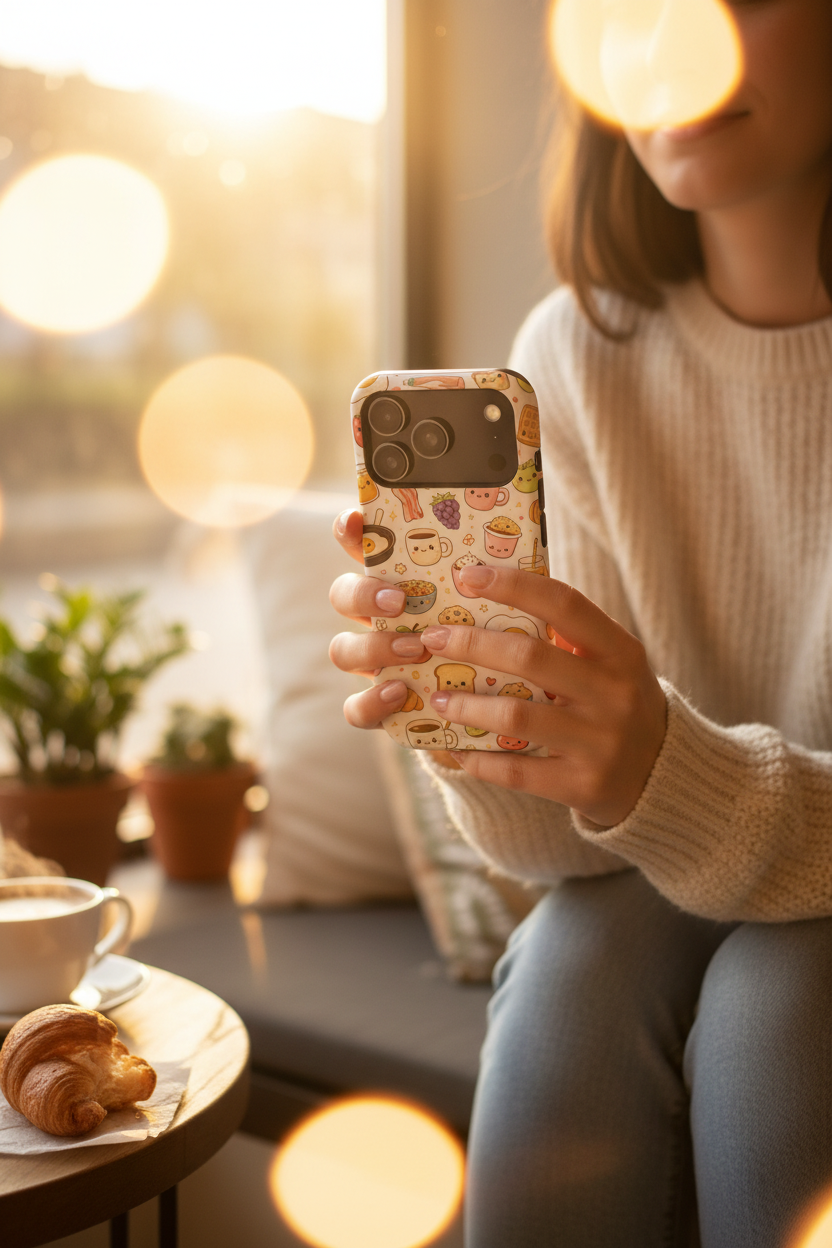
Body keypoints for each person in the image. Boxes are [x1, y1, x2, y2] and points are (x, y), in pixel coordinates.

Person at [329, 1, 832, 1244]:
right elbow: (573, 854)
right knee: (568, 971)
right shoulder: (578, 353)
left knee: (779, 1010)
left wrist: (664, 767)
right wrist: (475, 732)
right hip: (673, 878)